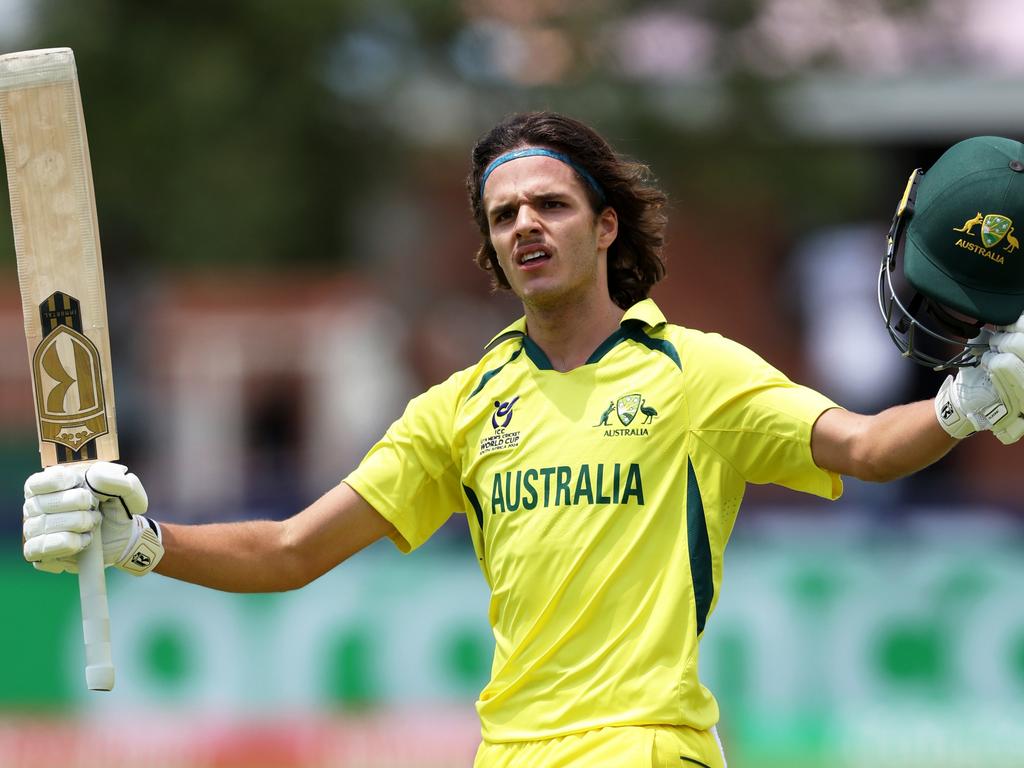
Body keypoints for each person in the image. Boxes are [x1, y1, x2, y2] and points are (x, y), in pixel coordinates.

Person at [21, 113, 1024, 768]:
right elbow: (290, 550)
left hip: (648, 750)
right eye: (503, 215)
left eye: (549, 204)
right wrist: (141, 539)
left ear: (604, 228)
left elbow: (864, 447)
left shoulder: (699, 375)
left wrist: (963, 404)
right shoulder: (458, 408)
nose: (524, 226)